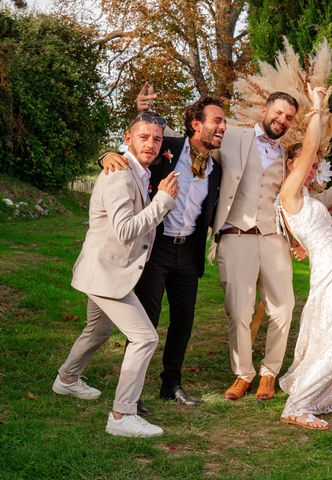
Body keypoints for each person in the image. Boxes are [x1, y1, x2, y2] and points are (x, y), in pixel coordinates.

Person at [213, 91, 332, 401]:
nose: (282, 120)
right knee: (238, 311)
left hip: (273, 237)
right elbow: (195, 145)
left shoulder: (286, 156)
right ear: (265, 110)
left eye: (289, 117)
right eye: (278, 113)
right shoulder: (233, 137)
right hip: (236, 233)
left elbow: (310, 201)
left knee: (284, 306)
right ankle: (242, 373)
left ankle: (269, 372)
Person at [101, 84, 226, 409]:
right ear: (196, 124)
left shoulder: (217, 169)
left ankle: (171, 384)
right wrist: (107, 154)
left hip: (188, 253)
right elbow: (136, 151)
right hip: (155, 249)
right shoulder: (167, 147)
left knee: (183, 321)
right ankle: (133, 391)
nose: (223, 128)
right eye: (217, 121)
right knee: (147, 320)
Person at [53, 113, 179, 437]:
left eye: (156, 139)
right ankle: (122, 415)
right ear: (128, 137)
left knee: (97, 330)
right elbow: (124, 231)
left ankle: (67, 379)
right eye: (144, 137)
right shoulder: (119, 176)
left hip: (106, 270)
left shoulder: (136, 170)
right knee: (145, 337)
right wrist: (162, 201)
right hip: (105, 273)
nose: (151, 144)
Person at [276, 86, 332, 430]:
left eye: (313, 167)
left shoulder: (305, 196)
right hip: (330, 266)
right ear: (292, 165)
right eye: (306, 165)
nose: (311, 169)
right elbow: (312, 146)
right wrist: (316, 106)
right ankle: (297, 405)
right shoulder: (288, 193)